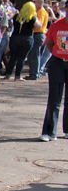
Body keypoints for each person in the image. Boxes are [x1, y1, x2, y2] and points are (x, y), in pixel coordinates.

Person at [39, 11, 68, 141]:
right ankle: (49, 131)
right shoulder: (56, 25)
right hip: (58, 63)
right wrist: (58, 55)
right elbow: (50, 43)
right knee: (54, 97)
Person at [9, 2, 41, 81]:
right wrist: (36, 17)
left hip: (15, 37)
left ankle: (8, 74)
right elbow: (39, 26)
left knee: (13, 57)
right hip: (26, 38)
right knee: (21, 58)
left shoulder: (17, 16)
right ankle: (17, 76)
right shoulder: (32, 18)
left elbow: (11, 23)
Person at [25, 0, 49, 80]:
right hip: (35, 34)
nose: (33, 3)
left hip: (38, 34)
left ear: (39, 3)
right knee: (32, 55)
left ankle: (34, 74)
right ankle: (33, 72)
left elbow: (39, 24)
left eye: (34, 1)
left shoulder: (42, 11)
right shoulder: (38, 11)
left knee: (35, 55)